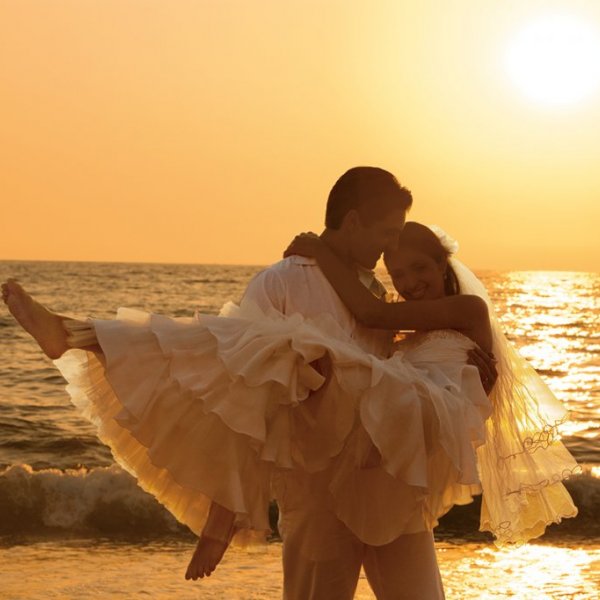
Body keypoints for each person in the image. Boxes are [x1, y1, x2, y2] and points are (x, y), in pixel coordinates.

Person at [2, 166, 513, 599]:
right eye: (386, 233)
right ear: (355, 221)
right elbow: (239, 397)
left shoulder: (377, 294)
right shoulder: (283, 280)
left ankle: (79, 333)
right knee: (253, 350)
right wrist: (222, 517)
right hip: (318, 496)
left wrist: (475, 379)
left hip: (393, 485)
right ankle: (77, 334)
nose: (390, 248)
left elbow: (400, 351)